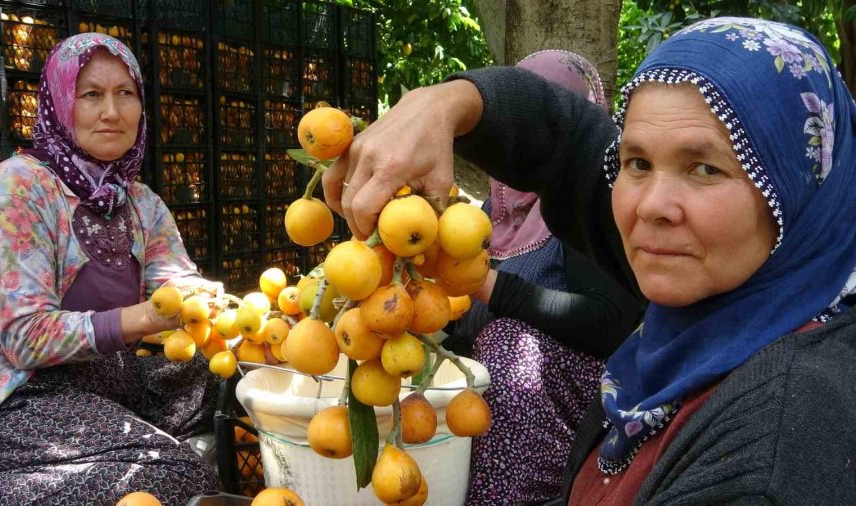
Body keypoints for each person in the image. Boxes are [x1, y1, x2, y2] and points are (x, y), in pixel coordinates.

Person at [324, 17, 856, 503]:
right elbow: (570, 142)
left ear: (799, 187)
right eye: (637, 162)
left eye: (705, 169)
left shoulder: (779, 444)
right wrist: (446, 103)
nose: (650, 206)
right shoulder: (718, 297)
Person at [0, 33, 219, 504]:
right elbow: (25, 338)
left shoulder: (138, 201)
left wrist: (212, 302)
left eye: (126, 94)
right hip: (17, 396)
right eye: (91, 95)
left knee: (220, 379)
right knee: (175, 474)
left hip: (102, 378)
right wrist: (146, 318)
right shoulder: (15, 193)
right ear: (59, 103)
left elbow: (174, 280)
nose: (112, 112)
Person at [440, 50, 643, 505]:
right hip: (480, 415)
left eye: (545, 126)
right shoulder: (492, 212)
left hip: (562, 415)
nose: (530, 141)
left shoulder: (589, 206)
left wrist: (488, 286)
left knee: (511, 347)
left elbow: (613, 320)